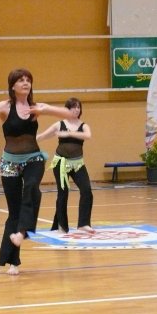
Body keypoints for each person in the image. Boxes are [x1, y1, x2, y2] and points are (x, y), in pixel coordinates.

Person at [0, 68, 74, 275]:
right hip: (10, 162)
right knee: (14, 212)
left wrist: (48, 109)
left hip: (33, 159)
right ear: (12, 85)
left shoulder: (35, 107)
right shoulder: (4, 107)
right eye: (21, 80)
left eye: (28, 80)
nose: (25, 83)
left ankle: (22, 233)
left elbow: (69, 114)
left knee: (32, 189)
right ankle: (14, 261)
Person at [37, 97, 94, 234]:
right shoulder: (59, 124)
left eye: (78, 107)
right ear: (67, 109)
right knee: (63, 193)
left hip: (78, 164)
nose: (76, 109)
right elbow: (43, 136)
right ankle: (62, 225)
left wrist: (68, 133)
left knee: (87, 191)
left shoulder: (84, 126)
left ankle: (83, 224)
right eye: (73, 107)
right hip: (61, 163)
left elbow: (88, 136)